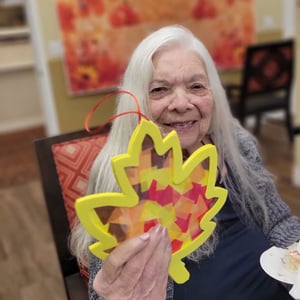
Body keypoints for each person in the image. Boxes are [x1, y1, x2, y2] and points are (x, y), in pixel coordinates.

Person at [69, 24, 300, 300]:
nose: (181, 103)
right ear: (138, 101)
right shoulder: (120, 176)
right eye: (160, 89)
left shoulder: (233, 142)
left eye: (196, 86)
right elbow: (107, 288)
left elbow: (279, 222)